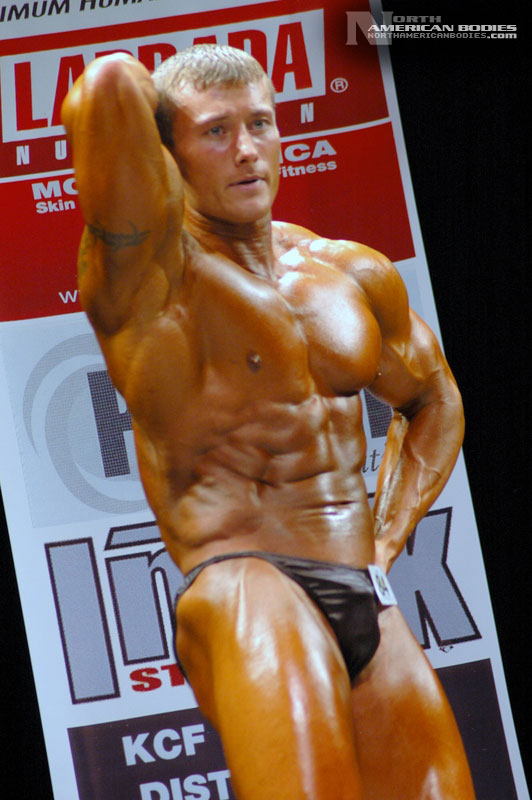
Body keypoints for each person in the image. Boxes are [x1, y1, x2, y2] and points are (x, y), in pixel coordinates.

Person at [62, 44, 475, 799]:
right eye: (216, 132)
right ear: (169, 150)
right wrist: (158, 114)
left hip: (363, 590)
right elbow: (108, 86)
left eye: (260, 123)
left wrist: (387, 538)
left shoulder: (345, 271)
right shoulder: (152, 277)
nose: (248, 149)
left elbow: (434, 399)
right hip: (246, 584)